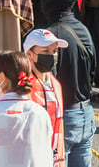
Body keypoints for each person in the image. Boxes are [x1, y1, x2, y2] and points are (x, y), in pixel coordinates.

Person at [37, 0, 96, 167]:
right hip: (86, 114)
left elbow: (44, 85)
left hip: (63, 118)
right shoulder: (83, 30)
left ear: (50, 1)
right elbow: (92, 73)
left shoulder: (50, 38)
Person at [25, 29, 68, 167]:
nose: (51, 55)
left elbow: (58, 124)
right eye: (45, 51)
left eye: (54, 51)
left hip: (51, 156)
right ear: (29, 54)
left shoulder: (54, 83)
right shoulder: (19, 84)